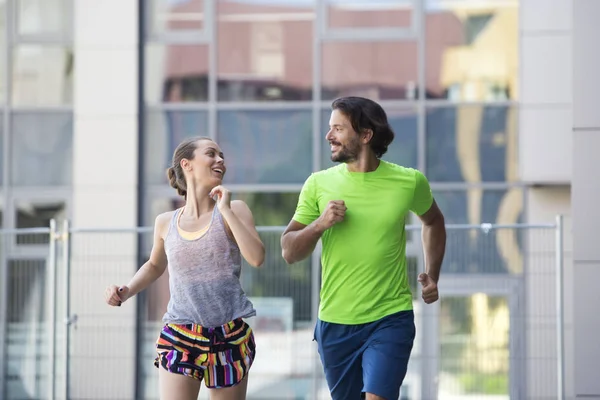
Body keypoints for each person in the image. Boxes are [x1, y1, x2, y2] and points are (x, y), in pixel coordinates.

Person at [281, 96, 447, 400]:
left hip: (390, 317)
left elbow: (434, 222)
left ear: (366, 135)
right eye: (330, 128)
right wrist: (320, 224)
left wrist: (432, 274)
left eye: (338, 129)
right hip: (335, 322)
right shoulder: (318, 184)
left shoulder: (408, 181)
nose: (329, 136)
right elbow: (290, 251)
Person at [104, 137, 265, 400]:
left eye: (222, 155)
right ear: (186, 164)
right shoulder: (166, 222)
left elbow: (257, 257)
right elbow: (155, 265)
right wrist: (127, 290)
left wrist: (225, 210)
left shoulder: (235, 209)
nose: (220, 160)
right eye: (211, 154)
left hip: (230, 336)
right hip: (180, 334)